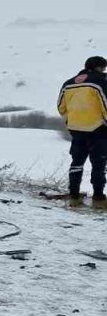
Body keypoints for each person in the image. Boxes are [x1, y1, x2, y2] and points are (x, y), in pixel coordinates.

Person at [58, 55, 107, 208]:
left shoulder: (68, 83)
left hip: (76, 130)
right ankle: (98, 197)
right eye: (103, 68)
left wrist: (70, 122)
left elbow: (61, 107)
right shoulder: (100, 82)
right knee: (98, 164)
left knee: (77, 162)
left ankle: (73, 195)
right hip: (97, 130)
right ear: (98, 67)